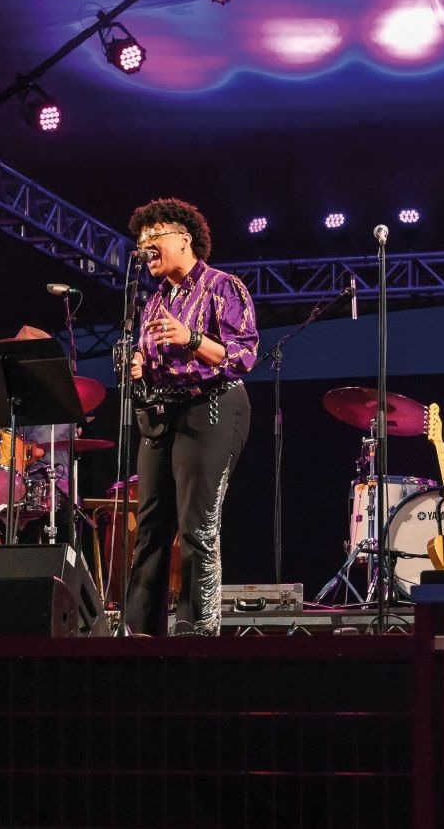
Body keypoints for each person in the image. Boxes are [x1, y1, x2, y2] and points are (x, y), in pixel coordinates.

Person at [124, 198, 258, 637]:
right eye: (140, 240)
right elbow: (152, 358)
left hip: (212, 406)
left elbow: (243, 355)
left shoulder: (223, 287)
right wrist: (140, 365)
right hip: (163, 413)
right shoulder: (154, 301)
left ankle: (198, 633)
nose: (145, 246)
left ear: (184, 239)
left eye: (153, 236)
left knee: (197, 525)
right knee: (149, 527)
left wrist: (192, 339)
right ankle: (140, 632)